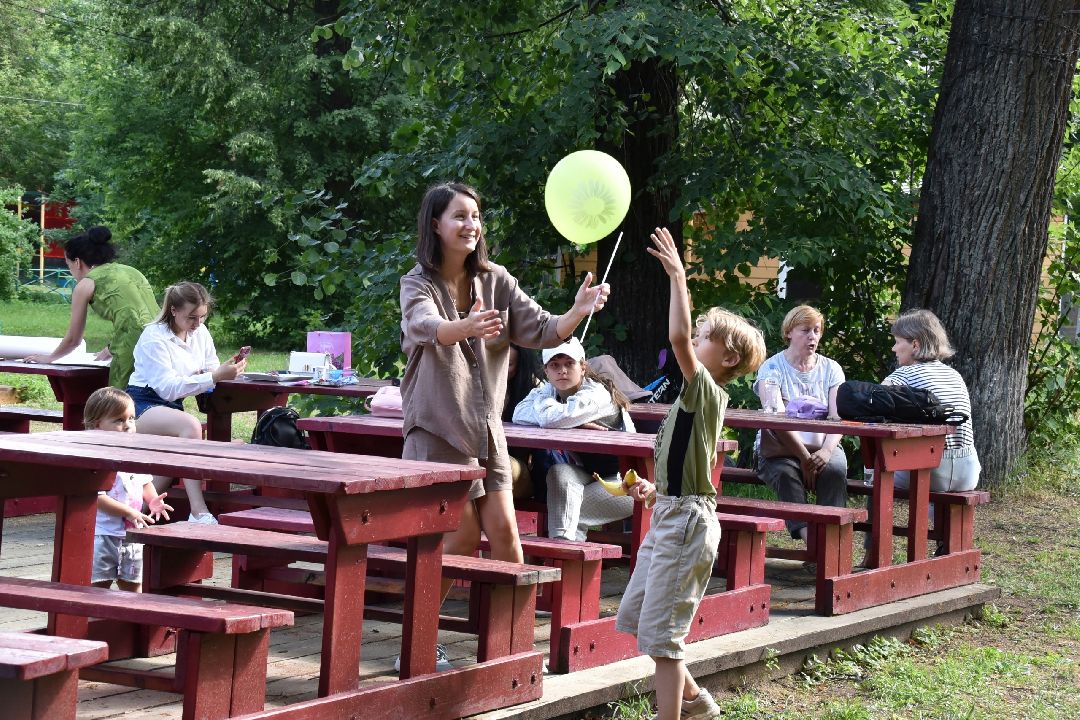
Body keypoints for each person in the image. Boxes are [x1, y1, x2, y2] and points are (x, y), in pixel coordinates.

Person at [399, 182, 610, 670]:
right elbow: (425, 326)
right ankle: (418, 642)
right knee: (459, 539)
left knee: (507, 538)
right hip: (436, 428)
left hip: (486, 431)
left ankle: (512, 647)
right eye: (459, 216)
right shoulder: (417, 282)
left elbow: (543, 328)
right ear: (436, 224)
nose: (471, 224)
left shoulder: (496, 280)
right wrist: (465, 327)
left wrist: (577, 310)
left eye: (475, 216)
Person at [615, 227, 766, 720]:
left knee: (664, 637)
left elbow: (676, 337)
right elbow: (686, 466)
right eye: (698, 336)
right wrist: (655, 490)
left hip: (687, 523)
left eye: (704, 340)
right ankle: (697, 703)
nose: (693, 342)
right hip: (671, 513)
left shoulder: (706, 389)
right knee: (644, 621)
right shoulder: (691, 398)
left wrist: (678, 276)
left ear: (727, 358)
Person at [127, 282, 248, 524]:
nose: (198, 323)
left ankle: (135, 516)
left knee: (174, 460)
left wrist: (224, 370)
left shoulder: (199, 332)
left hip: (172, 406)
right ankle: (198, 511)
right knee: (190, 427)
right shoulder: (154, 337)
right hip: (142, 403)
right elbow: (167, 388)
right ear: (173, 310)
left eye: (202, 317)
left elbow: (210, 365)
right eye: (192, 317)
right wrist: (214, 377)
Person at [512, 337, 654, 541]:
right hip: (590, 475)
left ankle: (562, 550)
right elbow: (519, 414)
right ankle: (563, 549)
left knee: (568, 513)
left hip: (629, 484)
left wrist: (558, 417)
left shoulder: (596, 395)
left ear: (583, 367)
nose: (562, 371)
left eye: (569, 364)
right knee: (559, 472)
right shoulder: (549, 392)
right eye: (555, 365)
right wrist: (570, 421)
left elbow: (550, 418)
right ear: (546, 371)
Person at [753, 304, 848, 543]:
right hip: (778, 447)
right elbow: (776, 421)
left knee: (835, 469)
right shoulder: (771, 368)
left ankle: (830, 541)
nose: (812, 336)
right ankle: (814, 544)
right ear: (789, 333)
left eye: (817, 330)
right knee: (786, 473)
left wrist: (826, 451)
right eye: (805, 330)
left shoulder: (832, 369)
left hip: (824, 443)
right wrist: (805, 458)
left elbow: (837, 418)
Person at [25, 226, 158, 389]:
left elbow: (74, 340)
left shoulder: (86, 284)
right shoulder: (131, 271)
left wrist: (49, 358)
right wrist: (111, 347)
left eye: (68, 265)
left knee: (120, 400)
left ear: (77, 262)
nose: (70, 271)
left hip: (132, 347)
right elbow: (140, 317)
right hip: (163, 337)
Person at [85, 387, 174, 592]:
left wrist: (152, 500)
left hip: (133, 533)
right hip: (103, 535)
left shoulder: (133, 454)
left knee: (133, 586)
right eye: (119, 420)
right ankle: (94, 613)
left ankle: (132, 612)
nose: (127, 425)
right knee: (98, 586)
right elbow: (96, 498)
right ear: (97, 425)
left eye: (131, 419)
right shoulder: (96, 458)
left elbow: (144, 482)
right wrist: (128, 512)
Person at [883, 309, 979, 491]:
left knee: (877, 466)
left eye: (897, 342)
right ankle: (932, 510)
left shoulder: (904, 374)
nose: (893, 349)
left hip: (933, 471)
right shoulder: (954, 374)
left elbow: (871, 402)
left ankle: (875, 511)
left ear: (915, 344)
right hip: (968, 471)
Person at [503, 344, 542, 500]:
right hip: (486, 463)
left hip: (518, 471)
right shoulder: (475, 385)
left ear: (520, 365)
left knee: (501, 466)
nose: (500, 369)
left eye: (508, 364)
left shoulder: (535, 390)